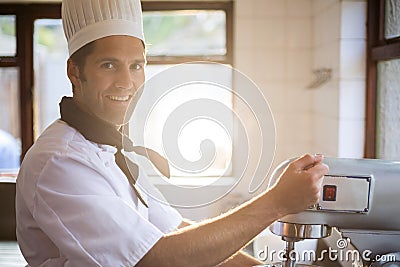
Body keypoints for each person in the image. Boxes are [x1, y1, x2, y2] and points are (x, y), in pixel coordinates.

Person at [16, 0, 329, 266]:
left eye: (136, 66)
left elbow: (174, 230)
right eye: (109, 65)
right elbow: (155, 259)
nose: (126, 82)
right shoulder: (59, 161)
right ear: (74, 71)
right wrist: (277, 202)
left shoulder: (114, 151)